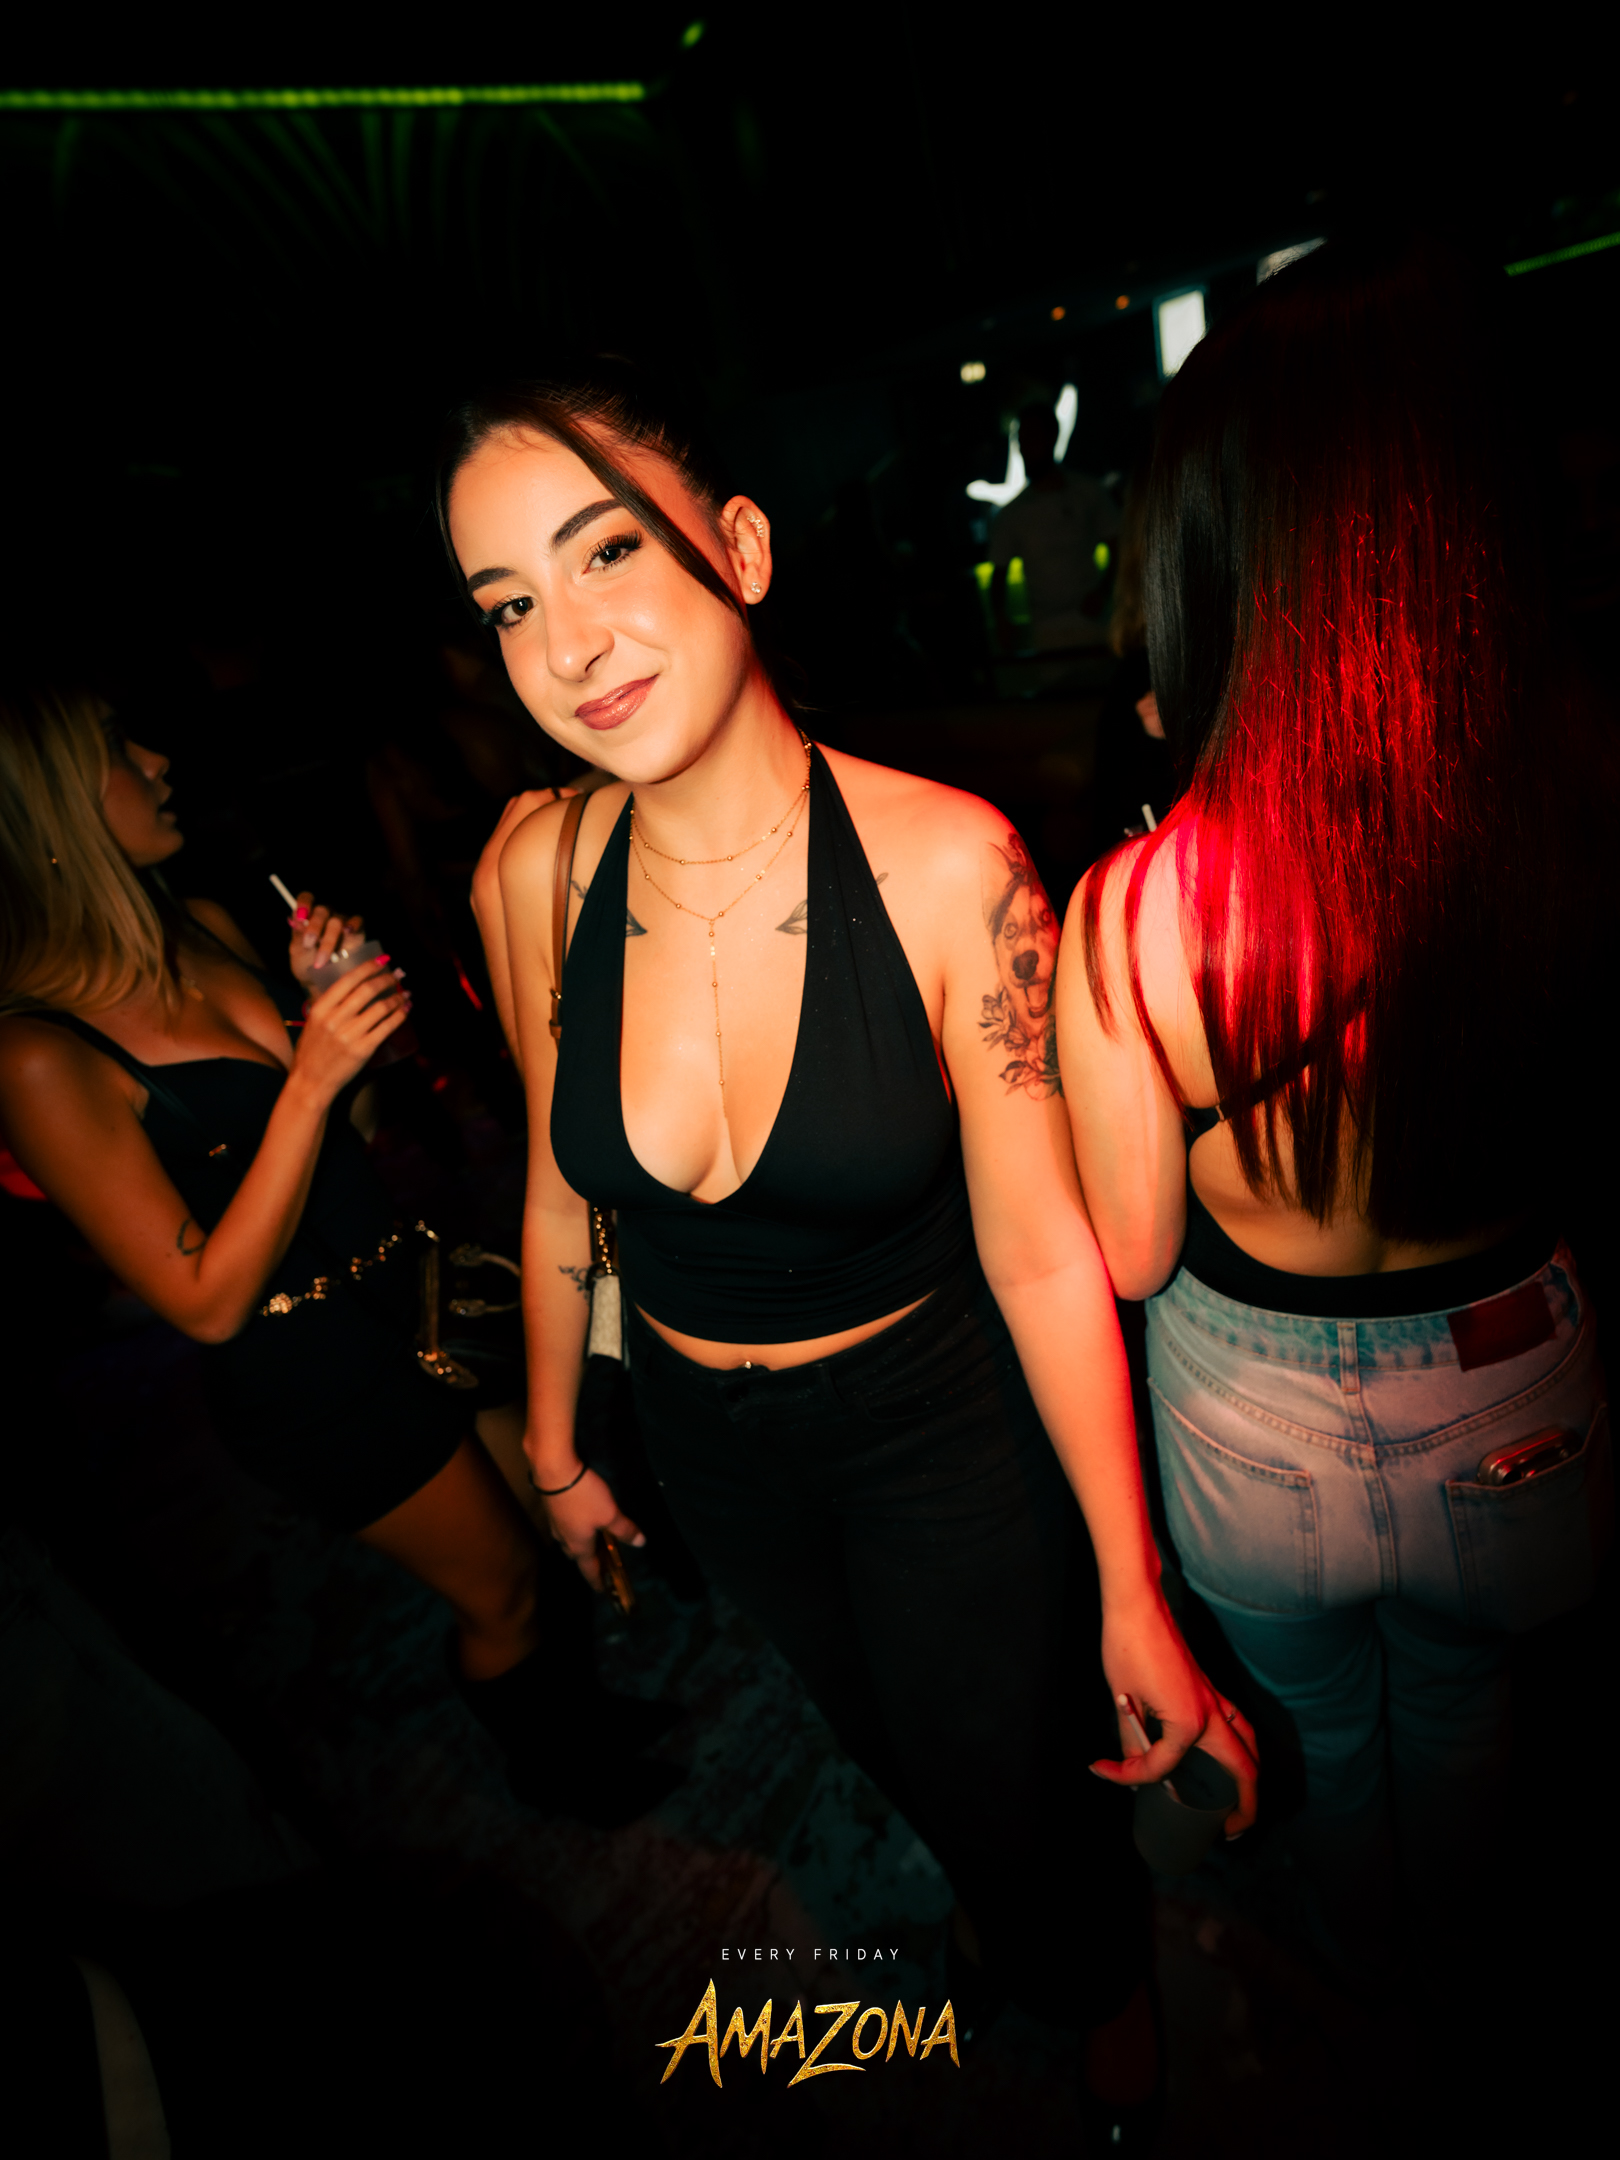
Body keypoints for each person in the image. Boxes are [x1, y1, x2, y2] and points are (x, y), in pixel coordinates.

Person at [446, 365, 1258, 2130]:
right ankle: (1010, 1901)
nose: (567, 643)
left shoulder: (954, 870)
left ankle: (1095, 1970)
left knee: (1004, 1758)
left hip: (931, 1439)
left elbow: (1041, 1256)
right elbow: (563, 1194)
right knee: (878, 1734)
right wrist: (560, 1445)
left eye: (606, 553)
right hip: (711, 1449)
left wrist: (1129, 1582)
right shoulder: (534, 878)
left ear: (738, 549)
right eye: (508, 604)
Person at [1057, 236, 1611, 1989]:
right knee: (1466, 1709)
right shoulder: (1580, 795)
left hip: (1258, 1414)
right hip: (1518, 1371)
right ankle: (1464, 1996)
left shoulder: (1143, 908)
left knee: (1321, 1738)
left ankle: (1371, 1999)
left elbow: (1131, 1253)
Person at [0, 682, 678, 1825]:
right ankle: (559, 1777)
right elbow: (202, 1303)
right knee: (501, 1589)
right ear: (57, 808)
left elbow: (343, 1143)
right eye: (119, 748)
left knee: (543, 1522)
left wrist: (346, 1035)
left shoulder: (203, 926)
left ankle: (583, 1717)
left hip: (409, 1291)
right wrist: (311, 1080)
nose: (158, 761)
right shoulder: (35, 1055)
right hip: (307, 1376)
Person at [988, 399, 1119, 657]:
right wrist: (1002, 620)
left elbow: (1121, 547)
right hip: (1047, 633)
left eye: (1031, 437)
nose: (1024, 447)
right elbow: (998, 573)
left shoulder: (1088, 492)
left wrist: (1102, 593)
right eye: (1021, 440)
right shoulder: (1012, 513)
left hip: (1093, 624)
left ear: (1052, 437)